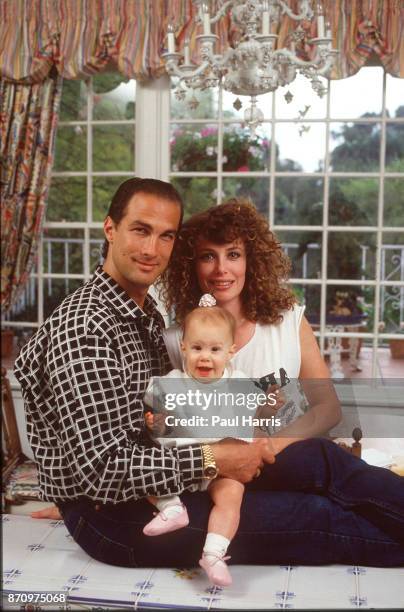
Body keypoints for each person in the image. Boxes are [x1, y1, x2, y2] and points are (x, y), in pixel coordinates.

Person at [24, 188, 404, 569]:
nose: (152, 249)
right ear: (110, 229)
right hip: (119, 514)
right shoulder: (86, 327)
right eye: (140, 230)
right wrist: (216, 458)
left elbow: (172, 416)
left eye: (166, 235)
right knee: (316, 514)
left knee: (320, 457)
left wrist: (235, 447)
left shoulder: (144, 317)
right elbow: (102, 470)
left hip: (162, 483)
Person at [143, 304, 262, 587]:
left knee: (233, 493)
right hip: (180, 466)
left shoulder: (239, 385)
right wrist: (155, 424)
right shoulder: (171, 383)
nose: (205, 357)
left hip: (218, 469)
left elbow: (249, 421)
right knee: (145, 475)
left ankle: (214, 553)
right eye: (197, 348)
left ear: (230, 351)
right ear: (183, 348)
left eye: (215, 350)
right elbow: (162, 427)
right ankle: (171, 508)